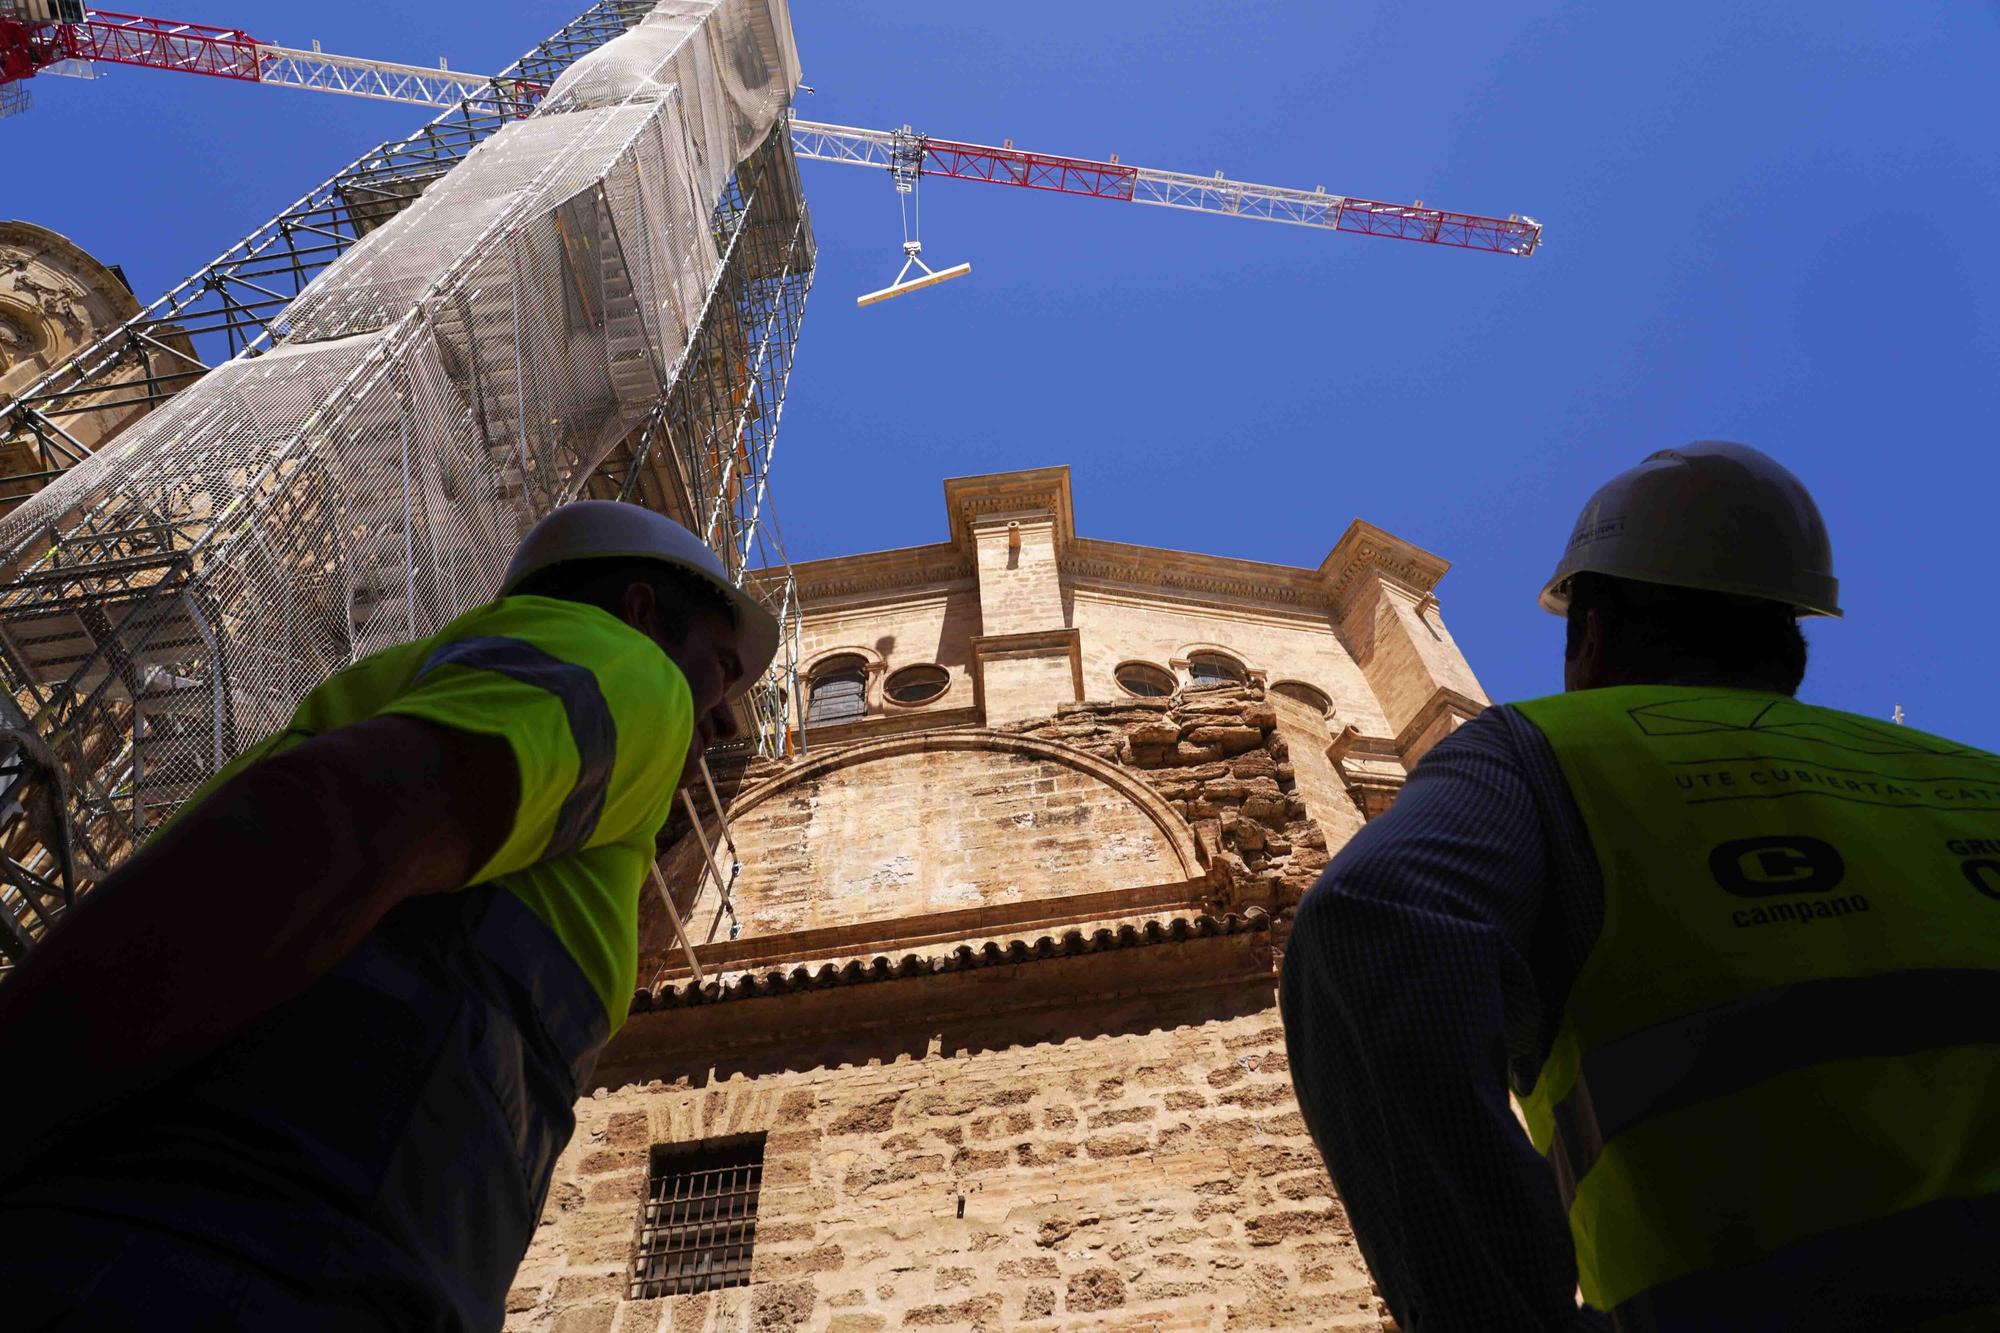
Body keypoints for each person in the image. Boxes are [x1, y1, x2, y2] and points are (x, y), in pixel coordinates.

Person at [0, 500, 777, 1330]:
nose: (729, 714)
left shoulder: (410, 681)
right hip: (260, 1254)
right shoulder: (633, 671)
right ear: (642, 612)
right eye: (723, 666)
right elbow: (328, 825)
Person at [1280, 442, 2000, 1332]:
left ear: (1593, 624)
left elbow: (1375, 918)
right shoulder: (1977, 772)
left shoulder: (1546, 749)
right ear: (1790, 634)